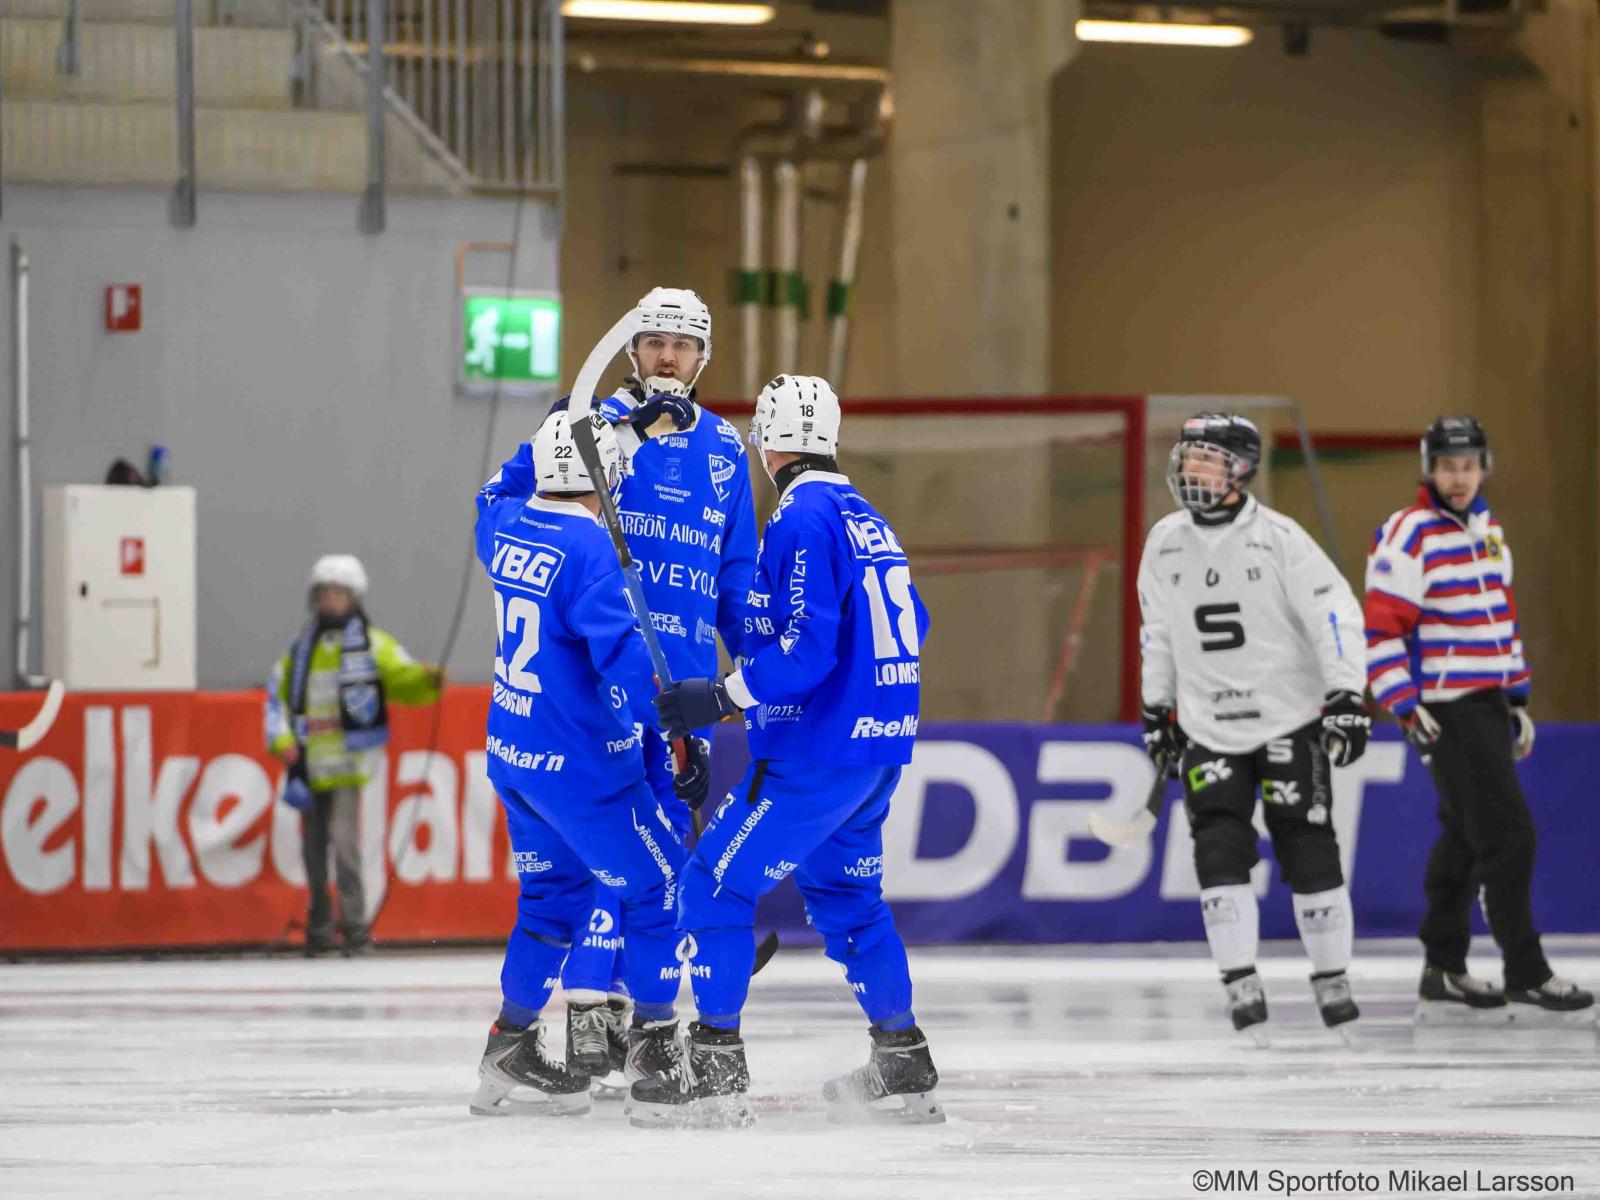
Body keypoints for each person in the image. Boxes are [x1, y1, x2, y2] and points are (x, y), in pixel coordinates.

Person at [635, 373, 941, 1129]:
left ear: (768, 442)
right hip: (874, 750)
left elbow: (807, 650)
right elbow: (914, 620)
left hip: (815, 753)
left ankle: (714, 1070)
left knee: (711, 887)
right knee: (849, 901)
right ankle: (903, 1059)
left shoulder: (801, 516)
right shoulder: (866, 515)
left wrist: (723, 695)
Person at [468, 408, 691, 1117]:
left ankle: (509, 1045)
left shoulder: (505, 524)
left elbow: (493, 487)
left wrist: (567, 428)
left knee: (549, 903)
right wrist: (679, 723)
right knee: (659, 888)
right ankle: (655, 1058)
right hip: (583, 770)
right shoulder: (590, 547)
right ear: (604, 476)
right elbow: (623, 658)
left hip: (515, 756)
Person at [564, 286, 758, 1082]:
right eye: (654, 342)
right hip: (605, 669)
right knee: (612, 842)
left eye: (682, 345)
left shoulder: (726, 448)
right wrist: (621, 432)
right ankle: (592, 1011)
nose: (668, 357)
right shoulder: (594, 425)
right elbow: (550, 505)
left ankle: (635, 1011)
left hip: (687, 686)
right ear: (632, 351)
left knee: (665, 842)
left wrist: (752, 680)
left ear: (703, 358)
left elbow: (736, 576)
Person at [1137, 412, 1371, 1043]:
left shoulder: (1281, 539)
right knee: (1217, 849)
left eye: (1207, 458)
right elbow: (1158, 632)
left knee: (1308, 845)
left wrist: (1346, 694)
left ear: (1241, 469)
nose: (1192, 469)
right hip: (1208, 726)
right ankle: (1240, 983)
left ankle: (1332, 979)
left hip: (1287, 720)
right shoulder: (1164, 542)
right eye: (1188, 456)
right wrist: (1157, 707)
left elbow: (1334, 615)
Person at [1364, 416, 1592, 1017]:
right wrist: (1403, 705)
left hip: (1487, 701)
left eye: (1468, 466)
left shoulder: (1488, 530)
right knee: (1510, 835)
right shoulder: (1408, 534)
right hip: (1445, 706)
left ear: (1484, 467)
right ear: (1428, 469)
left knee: (1465, 836)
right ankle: (1526, 970)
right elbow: (1381, 629)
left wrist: (1516, 696)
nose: (1458, 478)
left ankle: (1443, 967)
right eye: (1446, 467)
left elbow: (1501, 616)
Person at [265, 555, 444, 957]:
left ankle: (355, 928)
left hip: (347, 766)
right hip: (309, 766)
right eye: (323, 593)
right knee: (313, 853)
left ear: (354, 597)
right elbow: (277, 697)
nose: (329, 600)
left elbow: (400, 676)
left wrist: (426, 681)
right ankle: (319, 928)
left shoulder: (372, 644)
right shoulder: (300, 649)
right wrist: (281, 740)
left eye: (338, 592)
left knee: (345, 847)